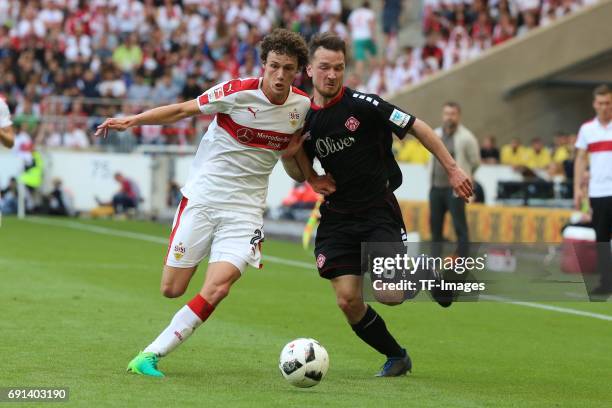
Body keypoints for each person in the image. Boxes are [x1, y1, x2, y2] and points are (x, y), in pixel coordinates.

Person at [95, 29, 332, 378]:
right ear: (263, 65)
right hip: (205, 197)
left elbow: (293, 165)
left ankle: (148, 355)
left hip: (246, 211)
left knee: (218, 288)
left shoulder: (300, 108)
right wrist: (134, 120)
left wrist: (306, 172)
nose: (280, 75)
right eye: (274, 66)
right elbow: (182, 110)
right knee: (171, 289)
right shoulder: (236, 93)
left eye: (288, 69)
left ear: (298, 71)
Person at [288, 33, 473, 377]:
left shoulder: (364, 104)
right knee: (348, 300)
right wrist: (293, 157)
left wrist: (452, 167)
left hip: (377, 212)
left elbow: (418, 127)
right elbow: (298, 171)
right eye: (325, 67)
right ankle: (397, 357)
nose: (332, 74)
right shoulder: (303, 119)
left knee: (388, 293)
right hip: (337, 218)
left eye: (339, 68)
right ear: (309, 70)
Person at [574, 84, 612, 296]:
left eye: (608, 103)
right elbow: (580, 159)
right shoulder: (587, 129)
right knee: (602, 239)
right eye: (601, 103)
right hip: (598, 192)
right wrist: (578, 189)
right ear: (594, 104)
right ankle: (606, 282)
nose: (604, 107)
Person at [429, 102, 480, 259]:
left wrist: (465, 177)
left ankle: (462, 262)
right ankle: (434, 263)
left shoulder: (467, 137)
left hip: (455, 191)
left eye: (452, 114)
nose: (449, 117)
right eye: (446, 113)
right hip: (436, 188)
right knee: (435, 228)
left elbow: (475, 162)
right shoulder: (435, 133)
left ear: (458, 116)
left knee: (460, 228)